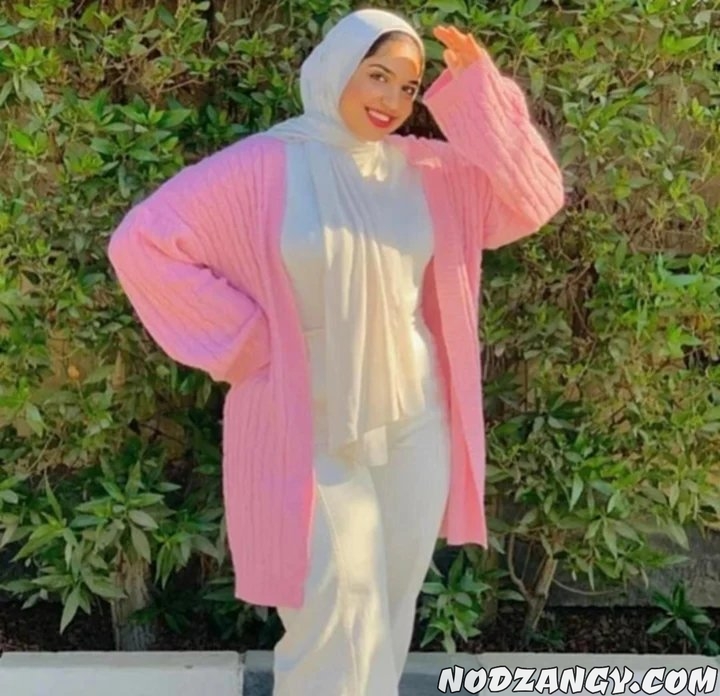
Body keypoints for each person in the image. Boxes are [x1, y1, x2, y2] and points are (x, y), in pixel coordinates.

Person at [107, 8, 564, 695]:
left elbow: (535, 198)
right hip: (307, 421)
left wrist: (481, 96)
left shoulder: (427, 170)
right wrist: (248, 343)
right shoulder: (262, 165)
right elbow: (142, 244)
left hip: (416, 420)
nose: (391, 100)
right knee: (338, 609)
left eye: (407, 87)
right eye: (376, 75)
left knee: (388, 609)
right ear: (336, 68)